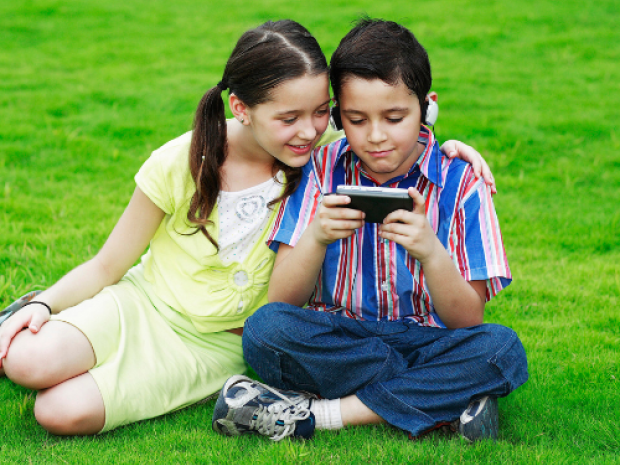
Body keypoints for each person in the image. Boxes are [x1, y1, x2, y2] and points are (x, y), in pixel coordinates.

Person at [0, 20, 492, 436]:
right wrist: (45, 303)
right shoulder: (201, 160)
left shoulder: (318, 159)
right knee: (27, 362)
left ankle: (396, 395)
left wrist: (451, 148)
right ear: (241, 108)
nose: (310, 129)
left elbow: (391, 127)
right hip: (148, 303)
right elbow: (109, 262)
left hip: (220, 344)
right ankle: (443, 394)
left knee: (58, 413)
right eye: (289, 117)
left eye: (322, 113)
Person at [212, 18, 528, 443]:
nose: (376, 137)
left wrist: (431, 253)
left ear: (427, 107)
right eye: (357, 120)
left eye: (395, 117)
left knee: (501, 350)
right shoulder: (321, 168)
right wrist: (317, 236)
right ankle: (444, 399)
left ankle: (316, 415)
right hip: (342, 335)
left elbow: (468, 319)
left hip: (426, 338)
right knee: (267, 330)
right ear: (339, 116)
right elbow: (282, 300)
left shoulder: (462, 181)